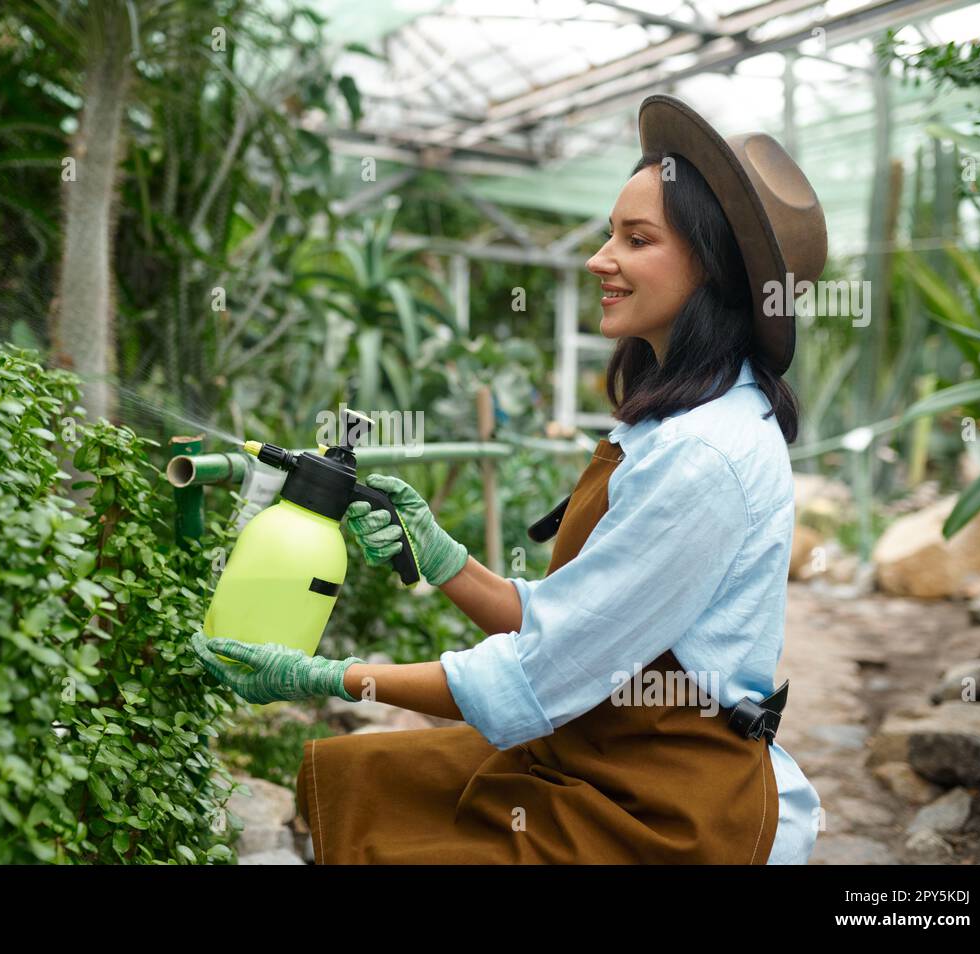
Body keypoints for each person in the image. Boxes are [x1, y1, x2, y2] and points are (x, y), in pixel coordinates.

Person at [192, 93, 827, 864]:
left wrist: (329, 675)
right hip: (599, 752)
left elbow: (541, 670)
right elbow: (567, 623)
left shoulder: (707, 457)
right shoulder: (676, 422)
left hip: (658, 807)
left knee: (397, 831)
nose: (600, 259)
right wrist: (444, 558)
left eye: (636, 239)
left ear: (713, 267)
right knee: (360, 774)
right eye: (607, 233)